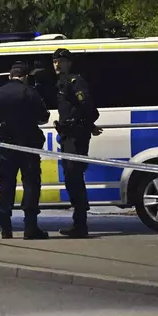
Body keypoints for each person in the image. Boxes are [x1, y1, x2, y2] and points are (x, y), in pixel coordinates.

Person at [0, 61, 50, 240]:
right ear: (26, 77)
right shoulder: (30, 92)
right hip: (28, 147)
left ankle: (5, 227)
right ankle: (30, 228)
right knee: (30, 184)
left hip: (7, 147)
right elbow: (44, 117)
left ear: (9, 76)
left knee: (6, 185)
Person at [52, 48, 100, 238]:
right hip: (68, 136)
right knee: (72, 178)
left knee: (75, 178)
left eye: (61, 61)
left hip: (75, 136)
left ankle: (80, 225)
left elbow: (89, 108)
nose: (57, 64)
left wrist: (86, 125)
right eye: (55, 61)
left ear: (69, 63)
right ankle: (78, 223)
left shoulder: (75, 81)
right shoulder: (62, 82)